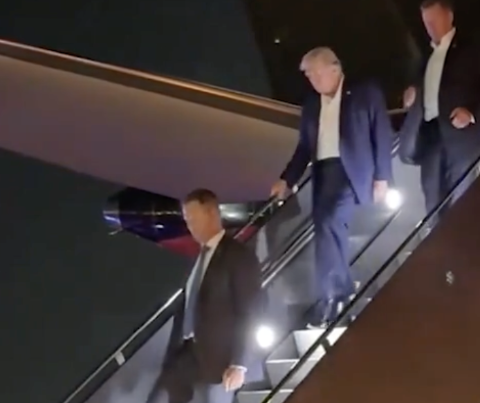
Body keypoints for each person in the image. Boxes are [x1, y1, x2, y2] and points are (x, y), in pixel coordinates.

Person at [269, 47, 394, 328]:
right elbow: (303, 148)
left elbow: (381, 133)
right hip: (323, 173)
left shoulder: (364, 93)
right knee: (326, 230)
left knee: (329, 224)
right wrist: (287, 179)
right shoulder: (312, 105)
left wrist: (382, 177)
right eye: (309, 76)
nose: (312, 81)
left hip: (351, 172)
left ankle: (336, 295)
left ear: (334, 69)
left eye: (316, 74)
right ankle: (337, 294)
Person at [148, 189, 261, 403]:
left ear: (211, 213)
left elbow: (250, 311)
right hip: (186, 357)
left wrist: (239, 364)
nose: (189, 225)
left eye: (192, 218)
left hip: (219, 362)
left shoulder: (237, 256)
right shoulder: (197, 259)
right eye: (186, 219)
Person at [399, 0, 480, 214]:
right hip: (431, 135)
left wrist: (470, 111)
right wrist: (413, 92)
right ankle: (439, 245)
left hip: (462, 137)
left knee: (462, 199)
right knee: (433, 201)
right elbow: (419, 85)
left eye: (434, 20)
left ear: (449, 16)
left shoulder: (471, 49)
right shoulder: (425, 57)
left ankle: (465, 245)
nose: (430, 27)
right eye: (426, 22)